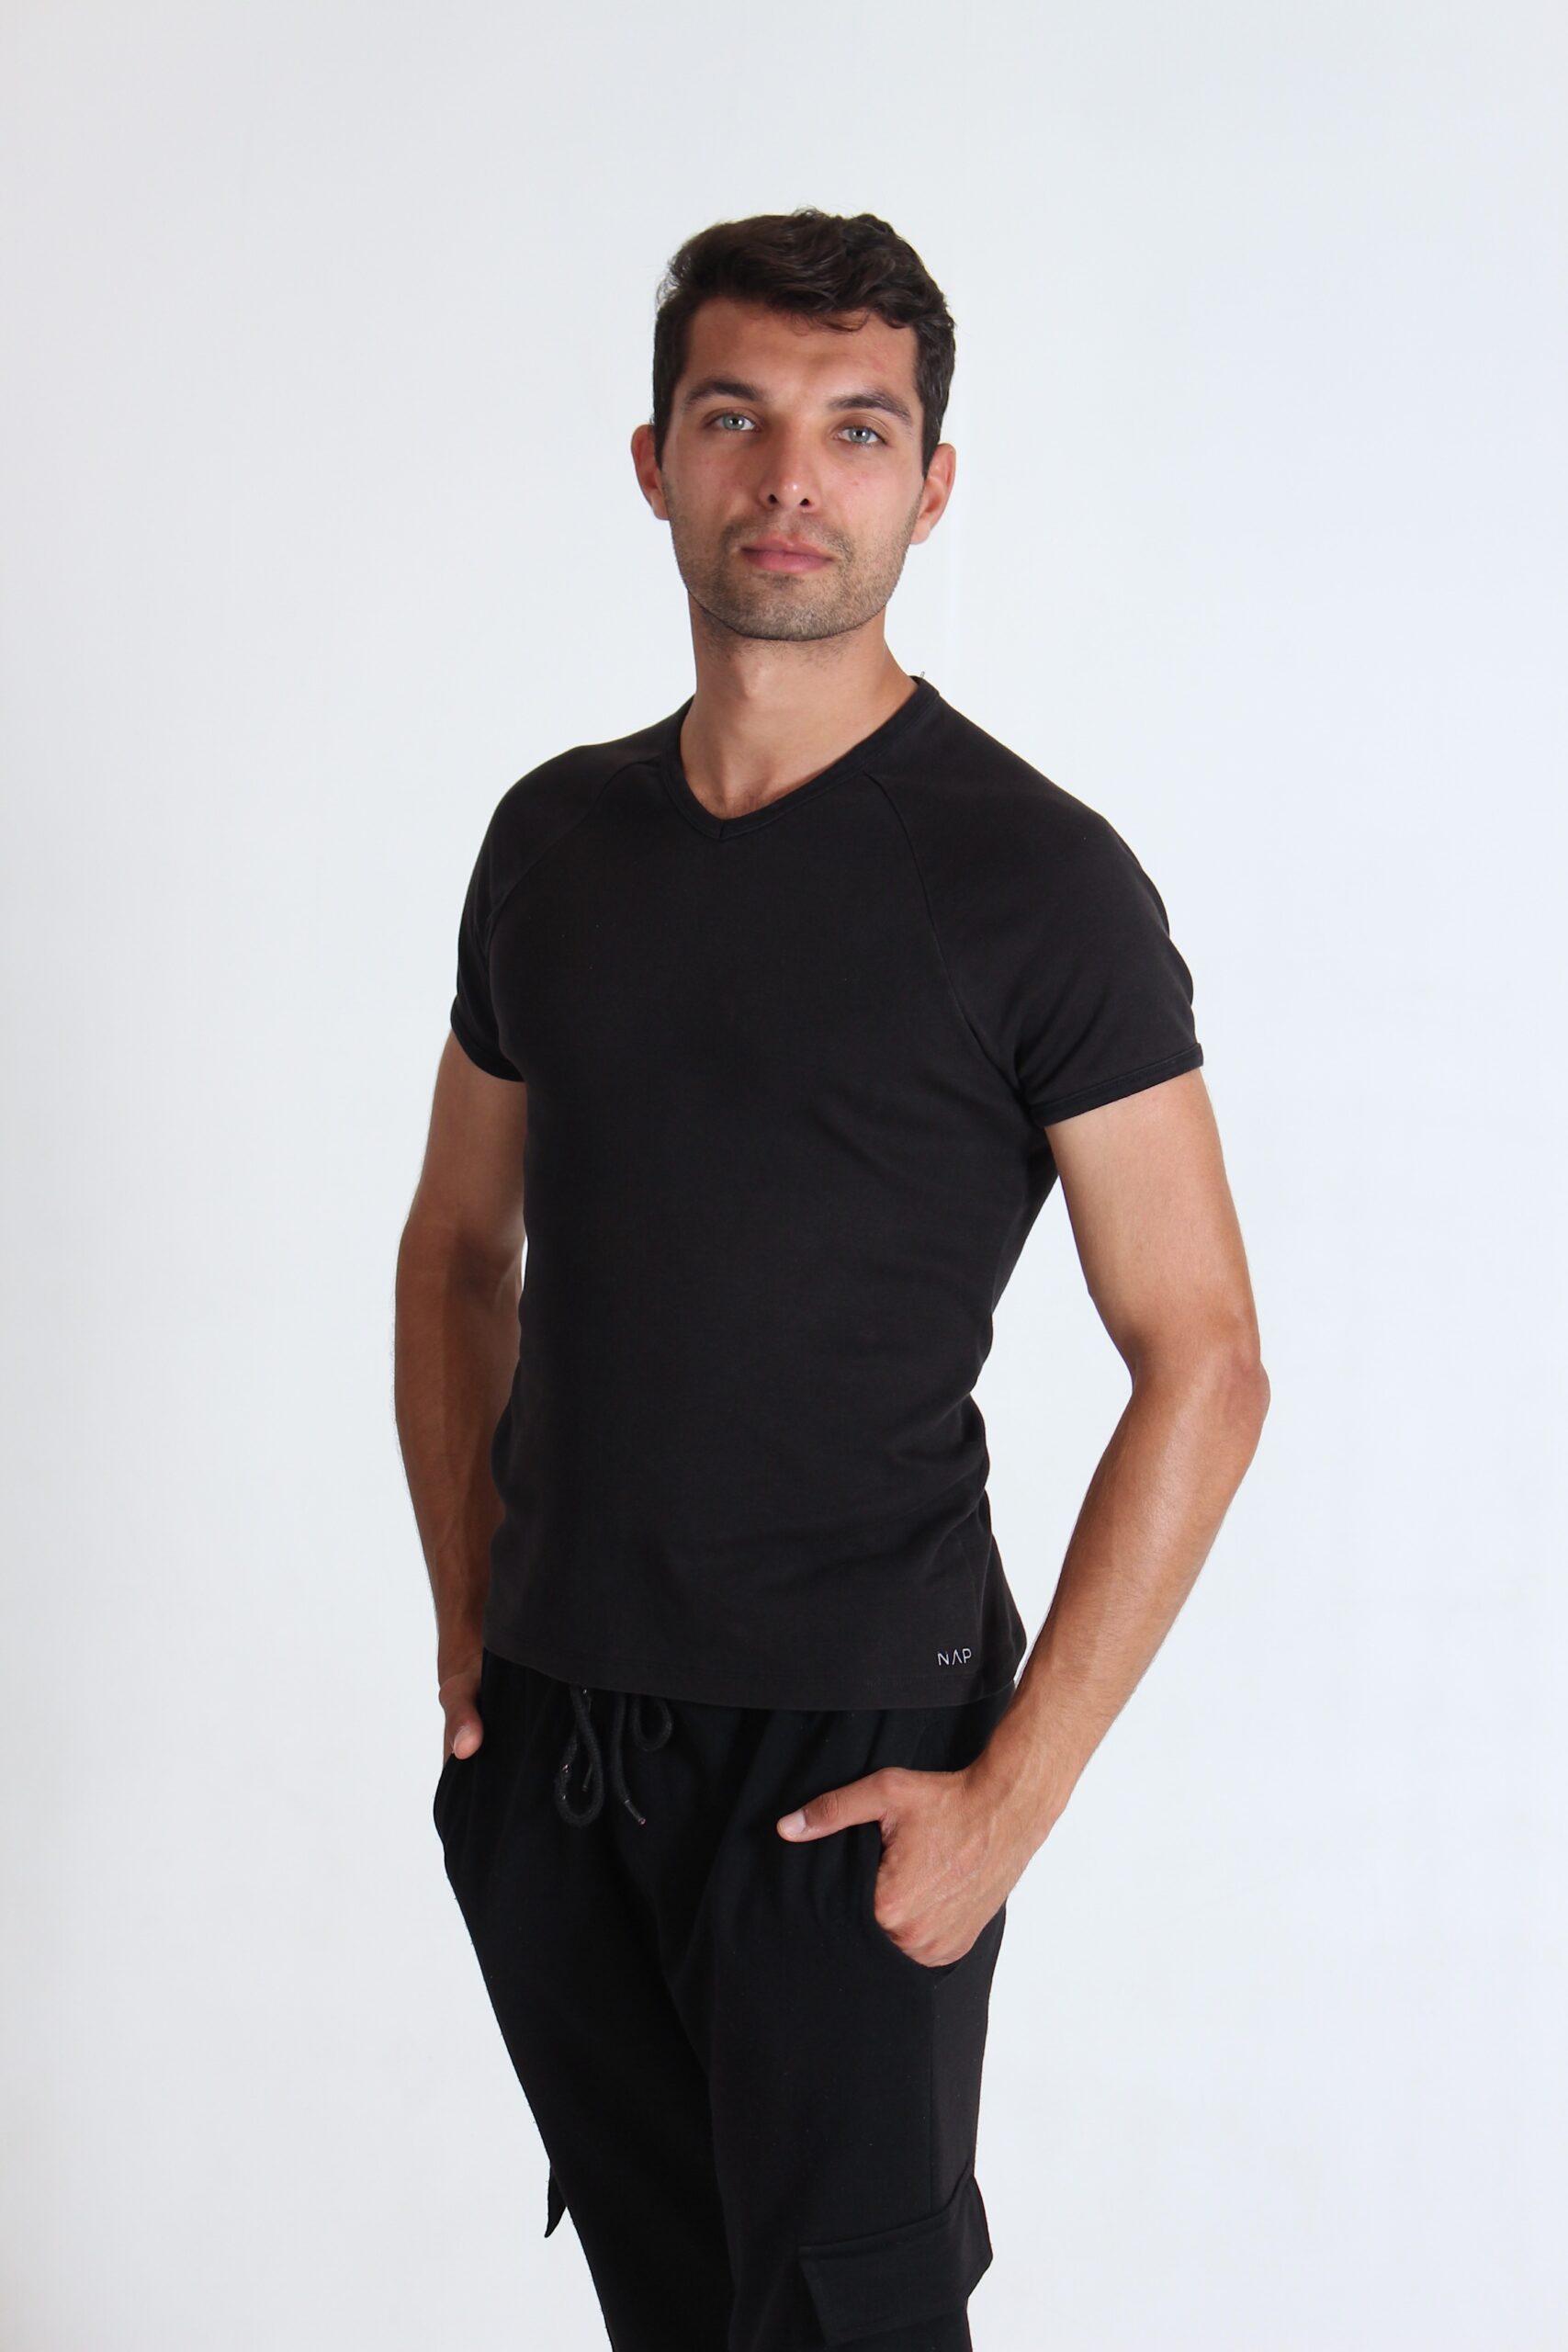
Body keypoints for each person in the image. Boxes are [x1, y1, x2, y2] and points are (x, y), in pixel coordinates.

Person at [395, 207, 1269, 2352]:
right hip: (557, 1745)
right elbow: (453, 1250)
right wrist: (472, 1611)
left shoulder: (1032, 880)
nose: (792, 476)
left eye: (855, 429)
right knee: (671, 2310)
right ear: (654, 460)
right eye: (737, 418)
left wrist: (1007, 1801)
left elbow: (1203, 1354)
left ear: (928, 485)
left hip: (849, 1764)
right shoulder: (552, 843)